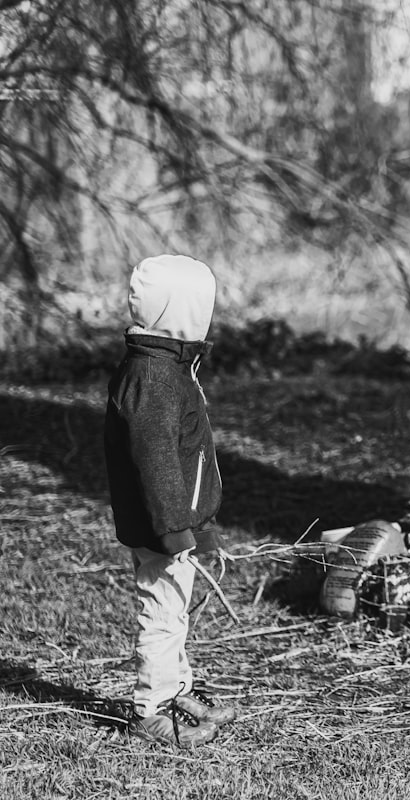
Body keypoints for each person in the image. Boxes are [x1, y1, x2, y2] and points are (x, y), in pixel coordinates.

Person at [104, 254, 236, 747]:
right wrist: (173, 529)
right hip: (160, 527)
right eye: (202, 307)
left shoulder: (170, 367)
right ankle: (152, 708)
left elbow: (187, 459)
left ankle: (176, 690)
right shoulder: (153, 378)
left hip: (175, 523)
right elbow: (156, 462)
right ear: (179, 313)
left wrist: (198, 524)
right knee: (161, 614)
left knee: (173, 611)